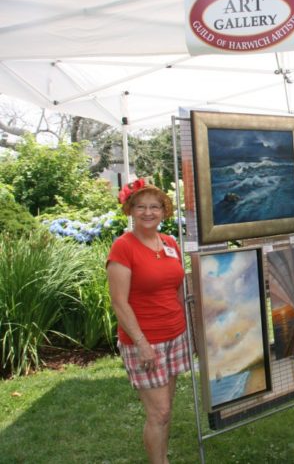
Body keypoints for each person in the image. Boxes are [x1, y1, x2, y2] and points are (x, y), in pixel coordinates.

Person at [107, 178, 189, 464]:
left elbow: (177, 287)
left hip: (175, 334)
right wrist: (142, 344)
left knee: (167, 410)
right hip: (144, 340)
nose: (148, 212)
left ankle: (162, 458)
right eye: (140, 207)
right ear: (130, 210)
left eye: (155, 207)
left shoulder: (169, 243)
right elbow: (119, 302)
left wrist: (188, 330)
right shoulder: (123, 247)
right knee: (159, 412)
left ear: (164, 211)